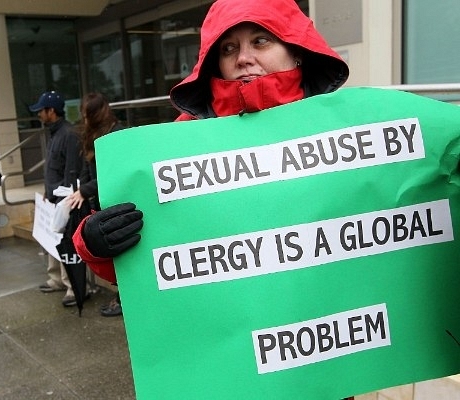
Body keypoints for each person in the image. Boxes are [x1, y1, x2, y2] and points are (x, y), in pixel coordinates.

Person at [73, 0, 353, 398]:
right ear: (213, 63)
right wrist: (97, 243)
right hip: (225, 367)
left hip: (323, 368)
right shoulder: (180, 143)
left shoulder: (348, 134)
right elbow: (155, 265)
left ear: (296, 50)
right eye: (228, 48)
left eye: (261, 40)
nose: (244, 58)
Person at [65, 92, 125, 317]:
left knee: (121, 254)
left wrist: (85, 189)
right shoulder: (93, 133)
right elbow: (86, 167)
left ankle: (122, 299)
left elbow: (117, 174)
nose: (83, 117)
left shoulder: (116, 133)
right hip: (99, 200)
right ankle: (120, 297)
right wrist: (81, 189)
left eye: (86, 113)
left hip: (115, 199)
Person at [29, 91, 82, 307]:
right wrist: (47, 191)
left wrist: (65, 196)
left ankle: (71, 285)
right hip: (53, 197)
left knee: (64, 243)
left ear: (51, 111)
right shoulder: (55, 133)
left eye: (41, 111)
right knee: (52, 240)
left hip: (63, 199)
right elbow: (53, 167)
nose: (39, 115)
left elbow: (70, 169)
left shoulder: (68, 134)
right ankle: (57, 279)